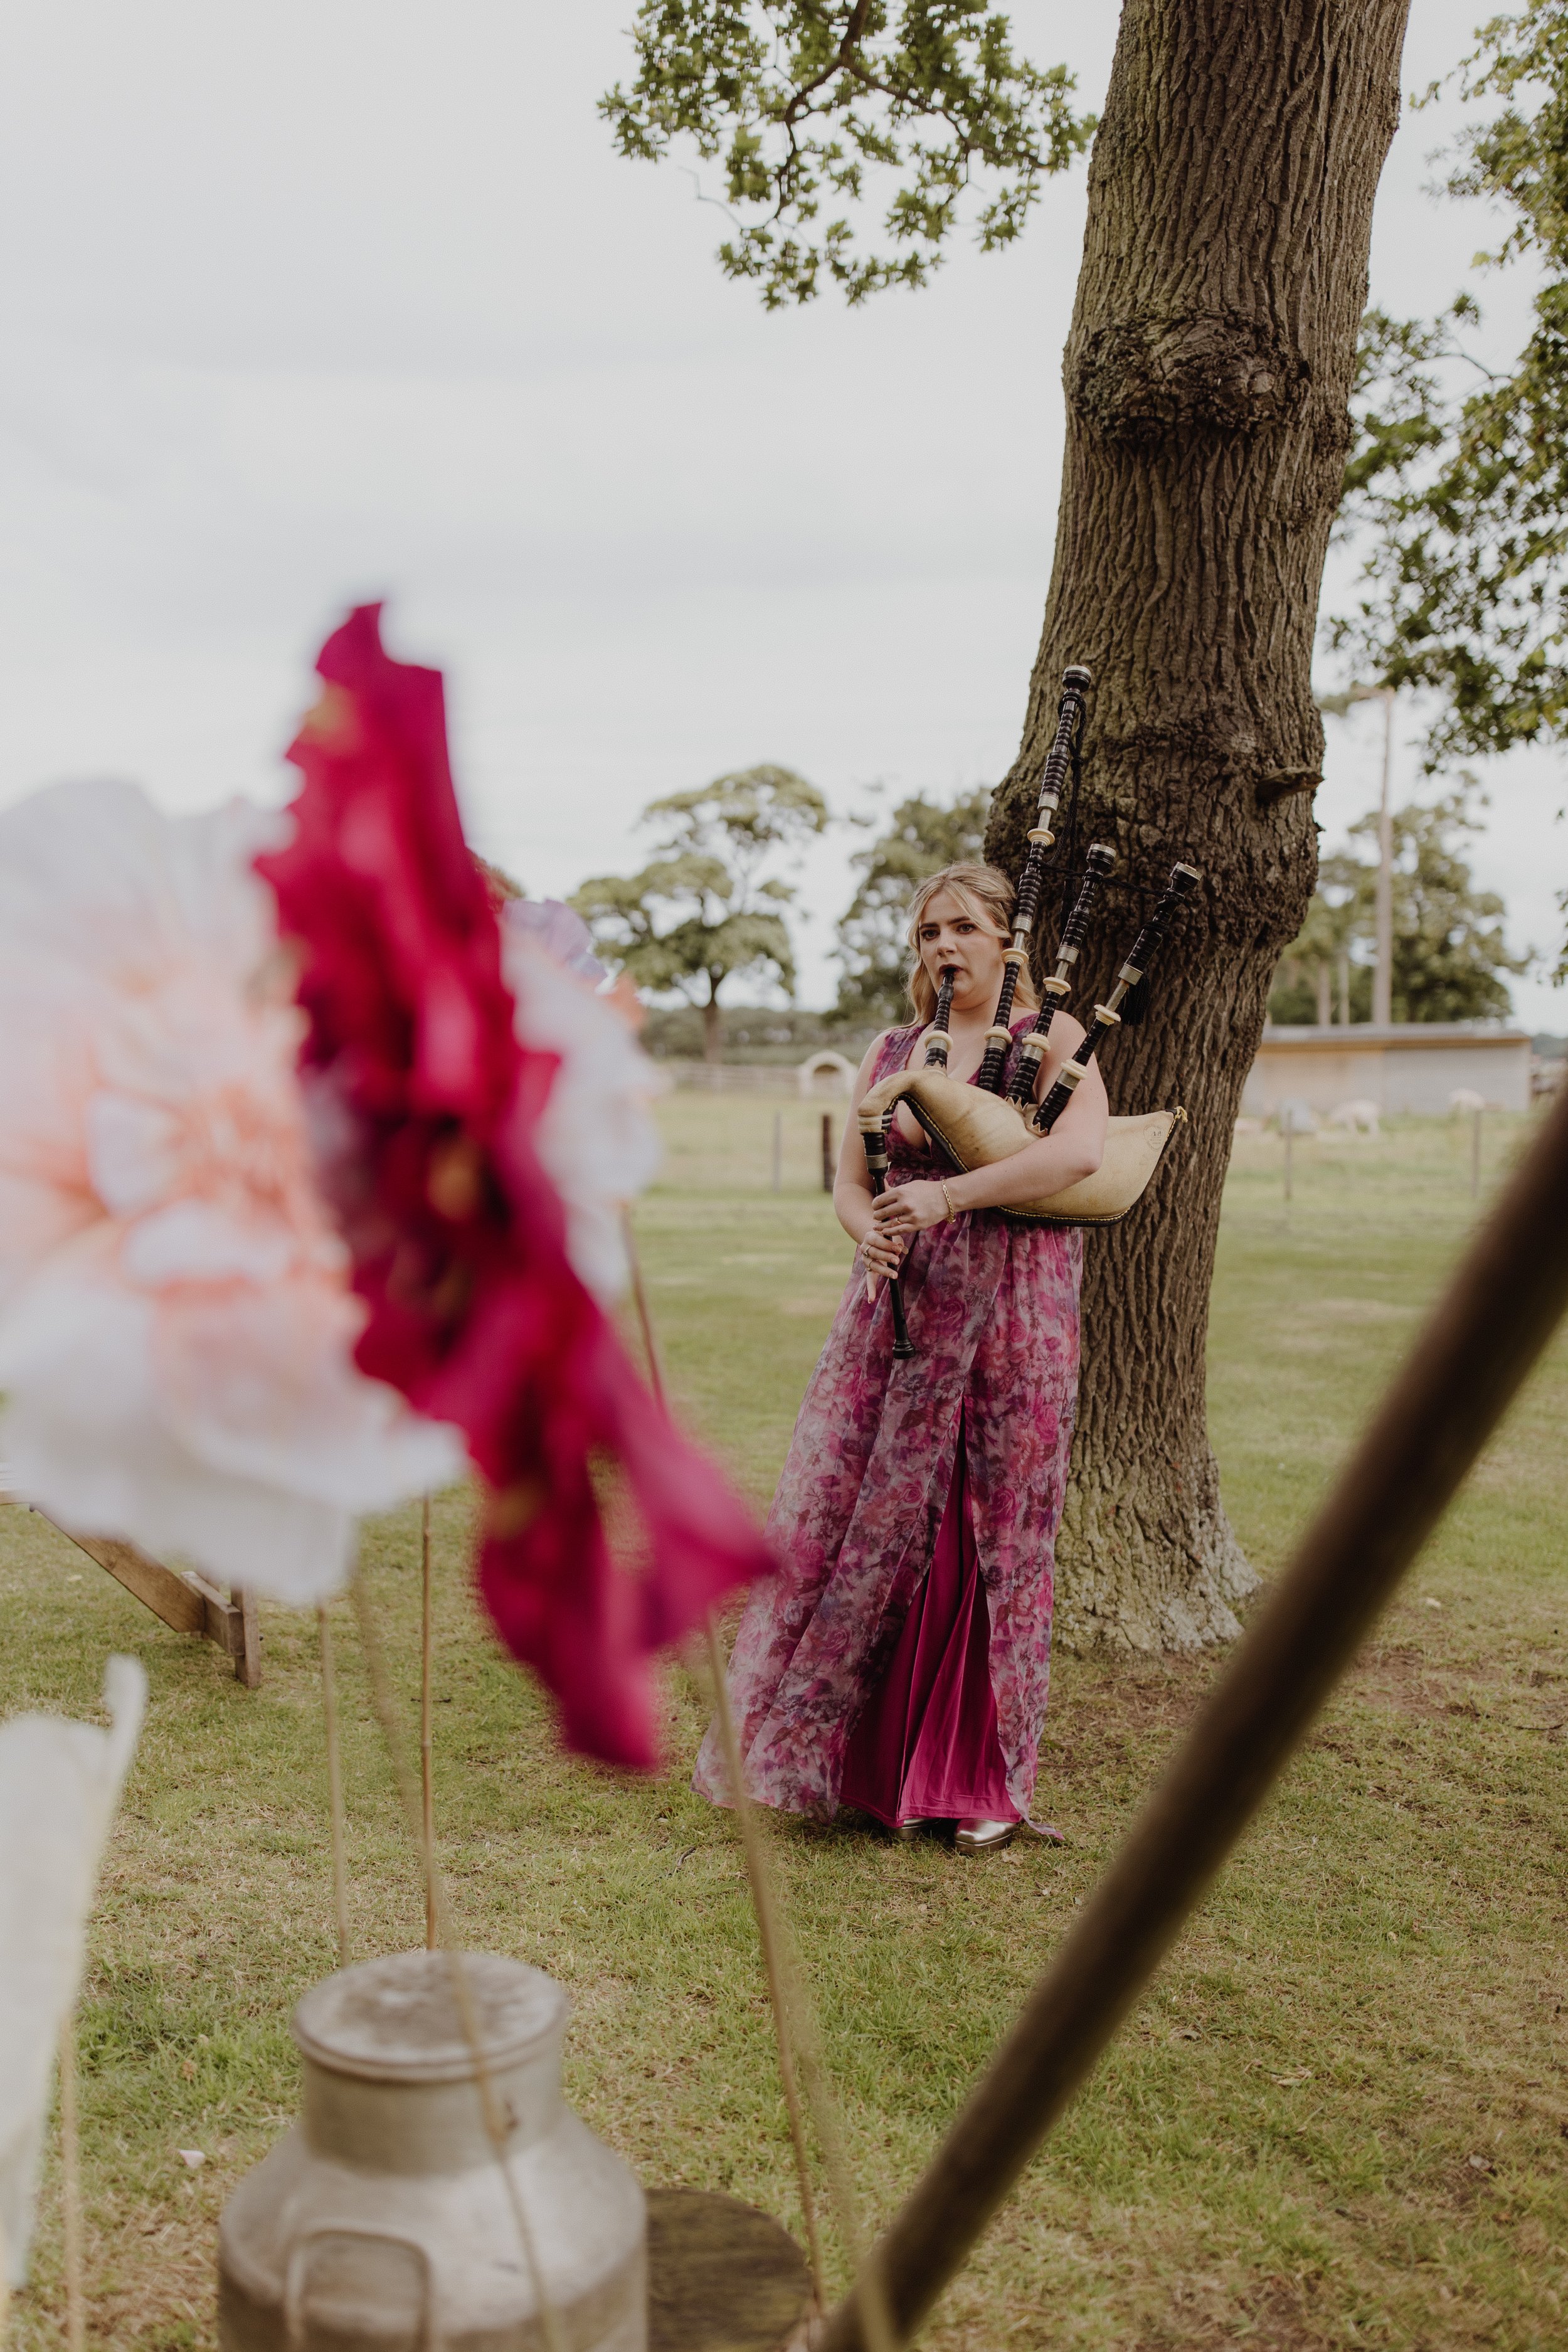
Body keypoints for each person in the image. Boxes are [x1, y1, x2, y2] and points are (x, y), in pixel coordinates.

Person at [692, 861, 1108, 1854]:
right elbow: (849, 1182)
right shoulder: (893, 1047)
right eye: (928, 932)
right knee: (885, 1523)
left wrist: (948, 1199)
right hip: (902, 1316)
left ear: (1008, 939)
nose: (944, 947)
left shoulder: (1051, 1038)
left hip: (1015, 1314)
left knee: (995, 1531)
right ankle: (872, 1765)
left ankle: (981, 1781)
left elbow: (1079, 1155)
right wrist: (865, 1231)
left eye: (963, 927)